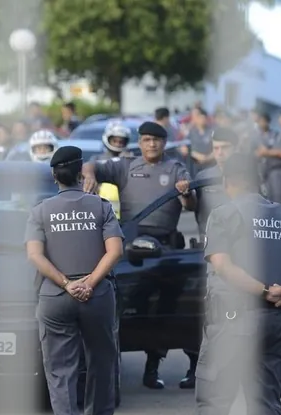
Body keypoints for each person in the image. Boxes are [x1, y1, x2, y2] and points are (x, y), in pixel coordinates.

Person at [191, 151, 281, 415]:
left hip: (234, 320)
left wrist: (263, 290)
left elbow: (222, 264)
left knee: (215, 400)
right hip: (274, 320)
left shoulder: (224, 213)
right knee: (266, 400)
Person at [82, 121, 197, 390]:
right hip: (132, 245)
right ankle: (127, 365)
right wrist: (89, 174)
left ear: (164, 143)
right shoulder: (126, 165)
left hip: (166, 246)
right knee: (133, 306)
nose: (151, 144)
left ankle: (167, 367)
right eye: (146, 140)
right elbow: (92, 166)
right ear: (140, 142)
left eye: (156, 140)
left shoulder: (176, 168)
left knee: (175, 307)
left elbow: (191, 204)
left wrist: (186, 193)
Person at [25, 145, 124, 415]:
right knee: (102, 361)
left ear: (54, 175)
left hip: (55, 296)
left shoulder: (40, 210)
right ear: (81, 172)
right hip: (97, 296)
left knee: (59, 365)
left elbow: (35, 256)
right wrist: (90, 283)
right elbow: (115, 251)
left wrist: (67, 284)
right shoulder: (101, 207)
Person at [194, 127, 240, 237]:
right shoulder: (203, 177)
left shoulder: (248, 175)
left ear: (236, 148)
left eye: (225, 148)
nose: (220, 153)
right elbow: (194, 207)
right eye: (216, 148)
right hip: (210, 239)